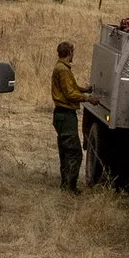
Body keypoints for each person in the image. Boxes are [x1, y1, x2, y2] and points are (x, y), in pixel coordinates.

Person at [50, 41, 88, 192]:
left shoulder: (61, 68)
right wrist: (87, 98)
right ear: (69, 53)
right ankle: (70, 186)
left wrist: (84, 89)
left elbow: (72, 88)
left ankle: (65, 184)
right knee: (74, 153)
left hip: (61, 115)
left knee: (65, 150)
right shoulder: (63, 70)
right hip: (66, 115)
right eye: (73, 52)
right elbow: (70, 93)